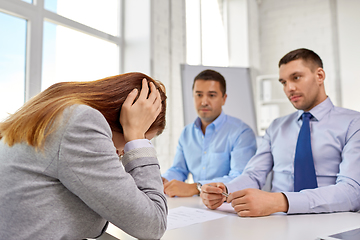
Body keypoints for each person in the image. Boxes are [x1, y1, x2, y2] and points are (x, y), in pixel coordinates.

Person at [0, 73, 168, 239]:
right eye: (143, 139)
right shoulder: (81, 122)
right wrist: (137, 137)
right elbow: (153, 225)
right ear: (123, 119)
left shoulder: (61, 113)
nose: (125, 151)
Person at [200, 48, 360, 216]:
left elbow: (351, 191)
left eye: (296, 78)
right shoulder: (277, 127)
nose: (289, 88)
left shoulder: (353, 124)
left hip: (333, 223)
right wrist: (225, 190)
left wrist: (280, 201)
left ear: (319, 76)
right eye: (283, 82)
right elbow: (254, 175)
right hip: (278, 223)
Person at [162, 69, 257, 197]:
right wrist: (164, 180)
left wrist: (197, 187)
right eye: (199, 95)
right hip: (196, 205)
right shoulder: (187, 133)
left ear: (224, 99)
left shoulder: (241, 132)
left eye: (211, 95)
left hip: (228, 205)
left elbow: (240, 178)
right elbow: (179, 170)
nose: (204, 102)